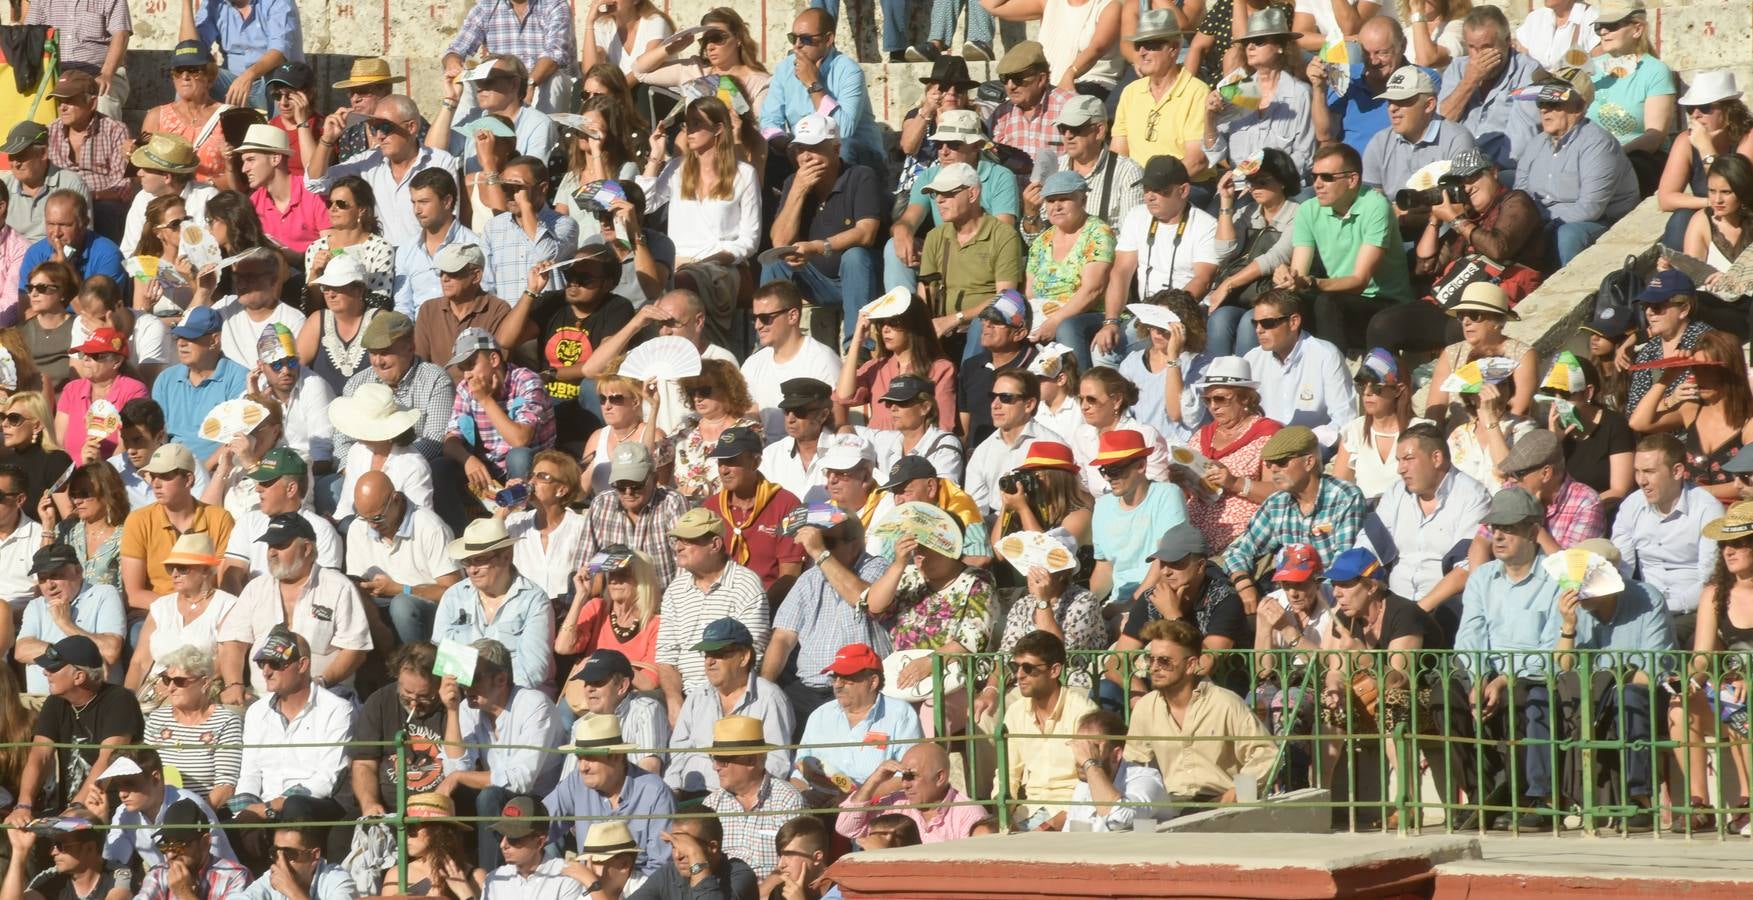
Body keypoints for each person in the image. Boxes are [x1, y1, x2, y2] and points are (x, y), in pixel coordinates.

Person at [1453, 487, 1565, 830]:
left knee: (1524, 697)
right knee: (1445, 697)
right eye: (1494, 528)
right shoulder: (1483, 577)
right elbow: (1469, 635)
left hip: (1535, 677)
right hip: (1486, 674)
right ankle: (1481, 795)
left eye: (1509, 527)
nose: (1498, 536)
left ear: (1534, 531)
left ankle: (1533, 799)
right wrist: (1479, 678)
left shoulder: (1556, 577)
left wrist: (1505, 679)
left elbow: (1551, 648)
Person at [437, 639, 569, 872]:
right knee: (450, 797)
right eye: (463, 677)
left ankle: (492, 880)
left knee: (489, 796)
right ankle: (452, 875)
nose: (466, 686)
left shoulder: (534, 704)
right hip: (499, 796)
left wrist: (458, 777)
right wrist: (452, 711)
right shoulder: (468, 706)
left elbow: (521, 780)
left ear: (501, 679)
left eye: (474, 678)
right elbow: (455, 767)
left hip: (539, 802)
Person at [642, 98, 759, 351]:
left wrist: (719, 258)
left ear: (718, 129)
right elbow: (645, 204)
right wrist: (655, 156)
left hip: (721, 264)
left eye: (697, 125)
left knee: (686, 279)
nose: (689, 132)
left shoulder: (744, 174)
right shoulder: (677, 169)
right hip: (679, 262)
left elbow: (750, 239)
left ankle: (704, 352)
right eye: (687, 125)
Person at [1273, 145, 1414, 351]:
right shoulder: (1307, 210)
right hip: (1340, 299)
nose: (1317, 184)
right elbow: (1299, 274)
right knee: (1280, 307)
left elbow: (1359, 282)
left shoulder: (1375, 206)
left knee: (1327, 303)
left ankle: (1334, 373)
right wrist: (1288, 278)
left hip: (1385, 303)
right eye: (1314, 177)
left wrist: (1311, 282)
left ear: (1352, 180)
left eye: (1327, 177)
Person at [1123, 619, 1274, 811]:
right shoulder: (1146, 707)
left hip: (1220, 806)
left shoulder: (1225, 702)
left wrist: (1239, 790)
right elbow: (1134, 763)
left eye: (1164, 661)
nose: (1153, 668)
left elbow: (1265, 752)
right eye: (1150, 660)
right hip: (1170, 807)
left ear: (1191, 665)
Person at [761, 118, 884, 346]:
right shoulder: (793, 181)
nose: (806, 157)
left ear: (836, 149)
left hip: (860, 277)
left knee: (855, 256)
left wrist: (817, 247)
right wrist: (798, 191)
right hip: (817, 281)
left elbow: (866, 233)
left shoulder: (860, 175)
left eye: (814, 149)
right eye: (800, 149)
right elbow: (779, 240)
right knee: (773, 260)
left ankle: (859, 347)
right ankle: (770, 341)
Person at [1094, 157, 1218, 369]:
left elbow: (1203, 280)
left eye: (1160, 190)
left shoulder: (1205, 225)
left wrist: (1167, 314)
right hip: (1145, 313)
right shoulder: (1136, 216)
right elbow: (1121, 272)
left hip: (1185, 315)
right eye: (1147, 189)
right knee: (1102, 350)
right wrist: (1111, 321)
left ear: (1184, 190)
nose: (1150, 196)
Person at [883, 112, 1020, 297]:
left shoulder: (1000, 176)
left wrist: (948, 253)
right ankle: (903, 316)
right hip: (945, 252)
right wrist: (902, 232)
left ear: (977, 146)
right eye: (939, 144)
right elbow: (909, 218)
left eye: (954, 144)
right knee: (894, 246)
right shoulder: (929, 176)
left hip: (982, 256)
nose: (943, 151)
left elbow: (1002, 235)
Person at [5, 635, 142, 820]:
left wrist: (78, 806)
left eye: (53, 668)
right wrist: (23, 805)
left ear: (79, 676)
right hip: (67, 811)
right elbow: (40, 754)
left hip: (113, 812)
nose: (45, 672)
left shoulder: (120, 700)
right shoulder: (55, 702)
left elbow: (108, 759)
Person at [1222, 425, 1366, 597]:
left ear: (1309, 462)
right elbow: (1238, 550)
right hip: (1291, 593)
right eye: (1269, 464)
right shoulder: (1277, 503)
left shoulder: (1345, 497)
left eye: (1282, 463)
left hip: (1334, 593)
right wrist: (1244, 585)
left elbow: (1344, 563)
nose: (1273, 469)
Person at [1609, 434, 1721, 647]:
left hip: (1692, 610)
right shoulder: (1631, 506)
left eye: (1650, 472)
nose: (1642, 481)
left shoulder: (1707, 509)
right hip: (1643, 606)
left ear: (1677, 471)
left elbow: (1711, 579)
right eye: (1637, 471)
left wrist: (1665, 606)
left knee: (1658, 641)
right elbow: (1621, 566)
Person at [654, 508, 771, 712]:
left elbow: (751, 654)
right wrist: (674, 702)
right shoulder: (675, 590)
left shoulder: (745, 583)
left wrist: (722, 703)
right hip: (685, 695)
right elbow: (666, 656)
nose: (678, 547)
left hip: (731, 696)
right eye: (677, 541)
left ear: (715, 544)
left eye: (688, 541)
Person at [1518, 72, 1641, 266]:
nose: (1544, 109)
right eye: (1541, 102)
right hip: (1544, 219)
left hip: (1601, 222)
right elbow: (1520, 192)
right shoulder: (1536, 143)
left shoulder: (1598, 144)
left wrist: (1543, 225)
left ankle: (1562, 290)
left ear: (1579, 107)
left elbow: (1590, 209)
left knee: (1567, 235)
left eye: (1554, 103)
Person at [306, 96, 461, 248]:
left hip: (426, 261)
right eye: (375, 128)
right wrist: (327, 139)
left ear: (411, 127)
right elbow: (315, 183)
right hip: (381, 263)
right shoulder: (367, 162)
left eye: (386, 127)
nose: (379, 135)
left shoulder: (440, 162)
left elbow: (449, 222)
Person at [666, 618, 796, 793]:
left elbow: (777, 761)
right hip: (690, 796)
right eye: (706, 654)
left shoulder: (770, 698)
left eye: (718, 654)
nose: (709, 661)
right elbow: (677, 753)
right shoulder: (696, 698)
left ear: (744, 657)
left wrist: (748, 797)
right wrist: (672, 791)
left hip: (743, 798)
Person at [119, 443, 236, 629]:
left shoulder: (219, 519)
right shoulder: (138, 520)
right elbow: (133, 594)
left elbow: (226, 585)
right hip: (153, 612)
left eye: (165, 477)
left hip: (208, 612)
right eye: (153, 476)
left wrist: (198, 610)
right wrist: (180, 608)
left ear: (188, 479)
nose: (156, 484)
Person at [1630, 328, 1753, 505]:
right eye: (1695, 368)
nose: (1699, 376)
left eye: (1708, 369)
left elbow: (1749, 483)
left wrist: (1693, 491)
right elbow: (1638, 422)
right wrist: (1668, 376)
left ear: (1729, 371)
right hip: (1689, 512)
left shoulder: (1749, 421)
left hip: (1734, 515)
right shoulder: (1691, 410)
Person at [432, 517, 555, 691]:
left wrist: (492, 691)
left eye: (480, 560)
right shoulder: (454, 596)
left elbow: (533, 671)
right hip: (467, 697)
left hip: (519, 697)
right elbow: (445, 664)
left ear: (506, 557)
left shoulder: (534, 600)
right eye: (467, 561)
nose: (472, 570)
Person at [760, 10, 885, 175]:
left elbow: (843, 131)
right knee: (761, 148)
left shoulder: (849, 71)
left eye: (805, 39)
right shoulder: (785, 69)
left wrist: (813, 85)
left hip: (859, 156)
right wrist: (788, 145)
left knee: (841, 148)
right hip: (803, 149)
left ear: (828, 39)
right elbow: (768, 122)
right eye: (793, 38)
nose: (797, 45)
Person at [790, 642, 920, 800]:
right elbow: (799, 772)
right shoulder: (820, 715)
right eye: (834, 677)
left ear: (872, 682)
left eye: (847, 678)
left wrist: (854, 800)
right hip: (822, 806)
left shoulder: (900, 713)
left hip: (876, 809)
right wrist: (807, 795)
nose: (837, 684)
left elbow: (907, 777)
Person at [996, 630, 1097, 830]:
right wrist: (1002, 815)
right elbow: (1008, 774)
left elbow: (1096, 778)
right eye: (1015, 667)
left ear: (1054, 670)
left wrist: (1061, 819)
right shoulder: (1015, 712)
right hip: (1028, 812)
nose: (1019, 675)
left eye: (1028, 668)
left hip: (1075, 815)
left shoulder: (1083, 712)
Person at [1206, 148, 1302, 355]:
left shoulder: (1298, 214)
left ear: (1282, 181)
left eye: (1263, 182)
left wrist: (1228, 283)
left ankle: (1248, 383)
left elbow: (1276, 257)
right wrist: (1226, 202)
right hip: (1241, 295)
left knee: (1251, 324)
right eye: (1251, 182)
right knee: (1219, 320)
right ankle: (1214, 380)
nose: (1255, 188)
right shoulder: (1246, 212)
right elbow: (1224, 251)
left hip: (1272, 297)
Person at [1204, 10, 1317, 180]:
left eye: (1258, 41)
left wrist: (1265, 181)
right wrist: (1209, 117)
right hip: (1238, 187)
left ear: (1281, 46)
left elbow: (1305, 155)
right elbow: (1215, 154)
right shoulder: (1236, 91)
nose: (1250, 47)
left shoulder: (1300, 94)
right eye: (1248, 42)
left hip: (1283, 188)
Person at [1437, 6, 1545, 181]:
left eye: (1486, 47)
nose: (1478, 56)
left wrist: (1483, 176)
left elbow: (1520, 142)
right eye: (1472, 47)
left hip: (1500, 171)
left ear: (1507, 40)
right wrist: (1469, 81)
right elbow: (1441, 124)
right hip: (1453, 168)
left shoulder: (1528, 71)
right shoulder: (1457, 68)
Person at [443, 327, 554, 489]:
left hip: (529, 470)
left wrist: (485, 400)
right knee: (441, 466)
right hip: (488, 470)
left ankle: (524, 512)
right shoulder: (465, 388)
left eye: (471, 365)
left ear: (494, 359)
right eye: (462, 369)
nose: (467, 375)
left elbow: (520, 440)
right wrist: (468, 460)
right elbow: (450, 441)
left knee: (519, 456)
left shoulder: (527, 381)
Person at [98, 748, 238, 876]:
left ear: (155, 778)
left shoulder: (192, 807)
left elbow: (213, 870)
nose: (122, 794)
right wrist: (100, 824)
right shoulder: (124, 812)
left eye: (130, 783)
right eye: (118, 785)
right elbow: (114, 862)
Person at [348, 641, 447, 819]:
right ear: (397, 676)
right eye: (407, 691)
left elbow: (462, 763)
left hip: (438, 811)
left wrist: (453, 709)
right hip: (387, 809)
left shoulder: (452, 708)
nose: (414, 701)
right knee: (339, 837)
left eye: (424, 695)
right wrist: (370, 803)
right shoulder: (379, 702)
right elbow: (363, 763)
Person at [1027, 173, 1115, 373]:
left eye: (1064, 199)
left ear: (1082, 199)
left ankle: (1079, 390)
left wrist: (1054, 322)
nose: (1056, 206)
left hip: (1088, 314)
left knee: (1067, 326)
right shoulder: (1041, 241)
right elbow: (1030, 293)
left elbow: (1093, 291)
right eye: (1050, 200)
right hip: (1044, 315)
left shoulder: (1099, 232)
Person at [700, 716, 806, 877]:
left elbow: (798, 866)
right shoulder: (712, 804)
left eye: (722, 760)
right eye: (714, 758)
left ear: (750, 760)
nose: (715, 767)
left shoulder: (788, 800)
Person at [1658, 71, 1753, 251]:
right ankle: (1675, 273)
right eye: (1690, 109)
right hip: (1712, 216)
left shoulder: (1748, 137)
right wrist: (1711, 203)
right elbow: (1666, 199)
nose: (1695, 115)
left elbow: (1739, 191)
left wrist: (1706, 150)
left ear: (1728, 111)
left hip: (1745, 217)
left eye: (1705, 107)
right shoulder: (1686, 141)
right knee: (1683, 217)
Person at [835, 294, 956, 432]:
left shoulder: (940, 369)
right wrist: (857, 340)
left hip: (918, 450)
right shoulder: (875, 367)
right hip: (878, 450)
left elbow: (943, 425)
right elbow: (843, 396)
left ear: (914, 325)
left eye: (893, 322)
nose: (885, 329)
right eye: (881, 323)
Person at [1111, 10, 1213, 175]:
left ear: (1173, 48)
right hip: (1137, 186)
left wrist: (1154, 187)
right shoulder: (1131, 92)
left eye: (1151, 45)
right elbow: (1118, 154)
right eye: (1138, 45)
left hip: (1184, 185)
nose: (1142, 52)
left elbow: (1196, 161)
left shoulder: (1197, 92)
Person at [15, 543, 125, 694]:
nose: (49, 585)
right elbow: (21, 650)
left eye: (56, 575)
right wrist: (71, 654)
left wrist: (65, 623)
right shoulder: (36, 605)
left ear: (78, 571)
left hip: (94, 701)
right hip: (42, 702)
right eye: (42, 578)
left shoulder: (104, 594)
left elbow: (110, 652)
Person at [132, 535, 236, 692]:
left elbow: (224, 662)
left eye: (182, 568)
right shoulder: (160, 607)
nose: (174, 574)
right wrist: (126, 702)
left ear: (206, 570)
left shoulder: (228, 605)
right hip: (154, 696)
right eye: (170, 568)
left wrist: (177, 684)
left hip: (200, 694)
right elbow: (139, 663)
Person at [143, 645, 243, 809]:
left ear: (204, 683)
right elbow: (146, 773)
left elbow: (225, 786)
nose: (171, 688)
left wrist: (195, 817)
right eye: (167, 680)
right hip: (158, 811)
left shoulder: (225, 721)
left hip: (203, 815)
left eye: (180, 681)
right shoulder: (157, 718)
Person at [579, 442, 689, 591]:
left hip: (663, 605)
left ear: (655, 478)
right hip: (615, 606)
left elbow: (685, 565)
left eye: (636, 484)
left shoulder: (671, 502)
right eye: (621, 485)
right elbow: (586, 566)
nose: (628, 492)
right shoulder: (601, 504)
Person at [1423, 282, 1538, 422]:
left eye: (1474, 315)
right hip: (1458, 439)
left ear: (1497, 320)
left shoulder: (1522, 355)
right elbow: (1435, 410)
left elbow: (1518, 410)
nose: (1466, 322)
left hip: (1505, 434)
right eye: (1461, 315)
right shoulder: (1451, 353)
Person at [1363, 66, 1479, 205]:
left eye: (1402, 101)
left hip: (1443, 221)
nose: (1392, 108)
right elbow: (1371, 203)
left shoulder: (1457, 139)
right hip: (1392, 222)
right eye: (1390, 102)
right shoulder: (1379, 142)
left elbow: (1462, 200)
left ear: (1429, 105)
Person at [836, 741, 986, 844]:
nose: (904, 784)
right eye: (903, 776)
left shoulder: (969, 814)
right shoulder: (897, 803)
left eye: (912, 776)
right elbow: (847, 828)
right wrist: (874, 779)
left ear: (940, 778)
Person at [967, 377, 1070, 519]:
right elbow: (975, 510)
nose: (995, 405)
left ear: (1029, 404)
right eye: (992, 397)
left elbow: (1063, 504)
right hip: (996, 527)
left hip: (1045, 527)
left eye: (1006, 398)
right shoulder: (982, 451)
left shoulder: (1053, 445)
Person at [43, 72, 130, 239]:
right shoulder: (50, 130)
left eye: (69, 101)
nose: (62, 107)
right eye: (60, 101)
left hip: (99, 204)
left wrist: (88, 196)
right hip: (59, 206)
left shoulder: (115, 130)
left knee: (107, 210)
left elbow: (123, 187)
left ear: (92, 103)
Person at [1040, 95, 1144, 228]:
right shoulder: (1053, 168)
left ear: (1099, 131)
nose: (1068, 135)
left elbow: (1131, 237)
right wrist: (1030, 217)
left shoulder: (1128, 172)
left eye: (1075, 128)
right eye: (1062, 128)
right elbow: (1038, 240)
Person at [182, 0, 305, 111]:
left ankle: (282, 130)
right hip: (233, 84)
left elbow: (278, 52)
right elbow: (190, 52)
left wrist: (249, 75)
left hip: (271, 82)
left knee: (279, 79)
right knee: (191, 78)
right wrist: (186, 4)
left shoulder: (277, 2)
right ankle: (183, 135)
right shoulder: (214, 3)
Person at [1065, 709, 1171, 832]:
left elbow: (1118, 820)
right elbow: (1073, 835)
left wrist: (1091, 764)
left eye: (1091, 749)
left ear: (1116, 755)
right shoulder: (1083, 787)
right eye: (1080, 748)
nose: (1081, 759)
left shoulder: (1147, 780)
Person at [229, 125, 327, 257]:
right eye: (244, 162)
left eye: (251, 160)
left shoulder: (314, 195)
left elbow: (332, 247)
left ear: (275, 159)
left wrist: (297, 258)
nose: (244, 169)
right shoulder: (254, 202)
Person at [1624, 268, 1712, 415]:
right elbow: (1633, 412)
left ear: (1683, 309)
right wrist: (1670, 401)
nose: (1649, 312)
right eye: (1645, 305)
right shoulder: (1648, 352)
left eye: (1657, 306)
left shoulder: (1708, 342)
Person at [130, 797, 252, 900]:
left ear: (205, 842)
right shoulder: (158, 874)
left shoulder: (235, 876)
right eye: (165, 845)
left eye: (179, 845)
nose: (170, 855)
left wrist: (184, 893)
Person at [304, 176, 395, 306]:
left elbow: (379, 300)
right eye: (330, 204)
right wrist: (315, 273)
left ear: (361, 209)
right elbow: (311, 306)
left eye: (341, 204)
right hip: (325, 318)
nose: (332, 209)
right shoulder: (316, 247)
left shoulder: (380, 248)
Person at [0, 123, 93, 245]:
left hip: (56, 258)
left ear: (43, 153)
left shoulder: (71, 185)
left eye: (21, 155)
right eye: (12, 156)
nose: (15, 163)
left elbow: (83, 236)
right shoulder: (4, 186)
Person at [3, 805, 121, 900]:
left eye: (60, 845)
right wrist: (20, 852)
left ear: (89, 848)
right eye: (53, 845)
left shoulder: (117, 873)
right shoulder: (51, 877)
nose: (53, 852)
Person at [17, 192, 126, 293]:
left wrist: (67, 271)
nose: (56, 233)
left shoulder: (108, 255)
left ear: (84, 224)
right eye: (50, 224)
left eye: (65, 225)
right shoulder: (36, 253)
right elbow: (26, 309)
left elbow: (99, 312)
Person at [478, 796, 584, 899]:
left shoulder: (566, 877)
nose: (503, 844)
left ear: (539, 842)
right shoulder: (494, 879)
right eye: (500, 835)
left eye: (513, 838)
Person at [628, 816, 756, 900]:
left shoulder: (740, 875)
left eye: (686, 847)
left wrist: (697, 861)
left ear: (712, 847)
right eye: (674, 846)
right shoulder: (668, 873)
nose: (678, 856)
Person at [381, 792, 481, 898]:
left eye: (412, 828)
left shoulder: (475, 876)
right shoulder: (396, 875)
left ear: (438, 831)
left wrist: (465, 893)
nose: (407, 835)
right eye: (404, 829)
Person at [1683, 155, 1753, 305]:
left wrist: (1736, 283)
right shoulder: (1701, 222)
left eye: (1726, 192)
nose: (1717, 200)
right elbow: (1692, 279)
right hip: (1714, 308)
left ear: (1742, 190)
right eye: (1712, 191)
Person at [1513, 0, 1598, 71]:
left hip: (1571, 88)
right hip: (1535, 86)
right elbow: (1522, 56)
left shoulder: (1591, 18)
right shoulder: (1536, 17)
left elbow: (1596, 66)